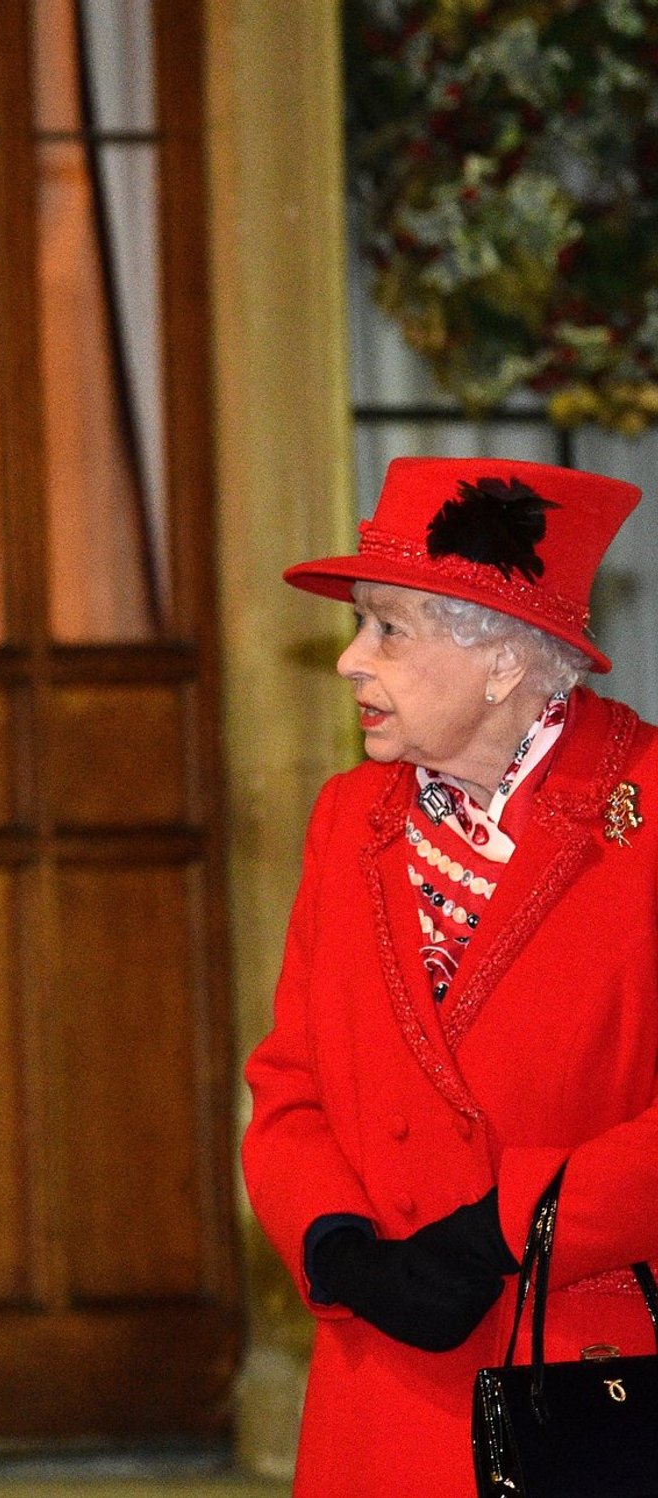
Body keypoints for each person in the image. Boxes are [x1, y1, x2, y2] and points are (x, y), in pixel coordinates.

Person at [242, 456, 658, 1495]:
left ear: (502, 663)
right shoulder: (347, 821)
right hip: (376, 1386)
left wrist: (501, 1229)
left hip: (579, 1378)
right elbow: (287, 1085)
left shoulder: (645, 816)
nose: (346, 659)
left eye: (387, 627)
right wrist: (336, 1246)